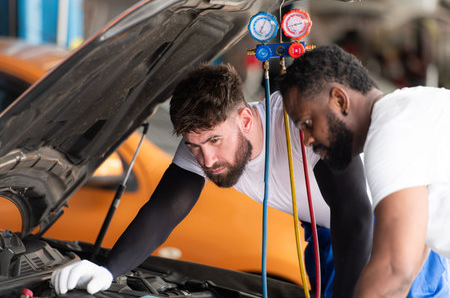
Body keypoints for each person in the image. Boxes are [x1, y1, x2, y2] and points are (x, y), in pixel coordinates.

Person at [51, 63, 373, 297]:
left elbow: (357, 215)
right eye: (194, 146)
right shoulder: (201, 142)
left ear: (245, 119)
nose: (206, 161)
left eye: (215, 141)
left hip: (391, 227)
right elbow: (164, 211)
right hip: (327, 235)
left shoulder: (299, 123)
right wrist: (108, 270)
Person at [279, 45, 450, 297]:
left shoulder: (390, 132)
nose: (306, 140)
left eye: (307, 123)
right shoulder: (413, 108)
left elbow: (394, 269)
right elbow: (411, 257)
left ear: (339, 100)